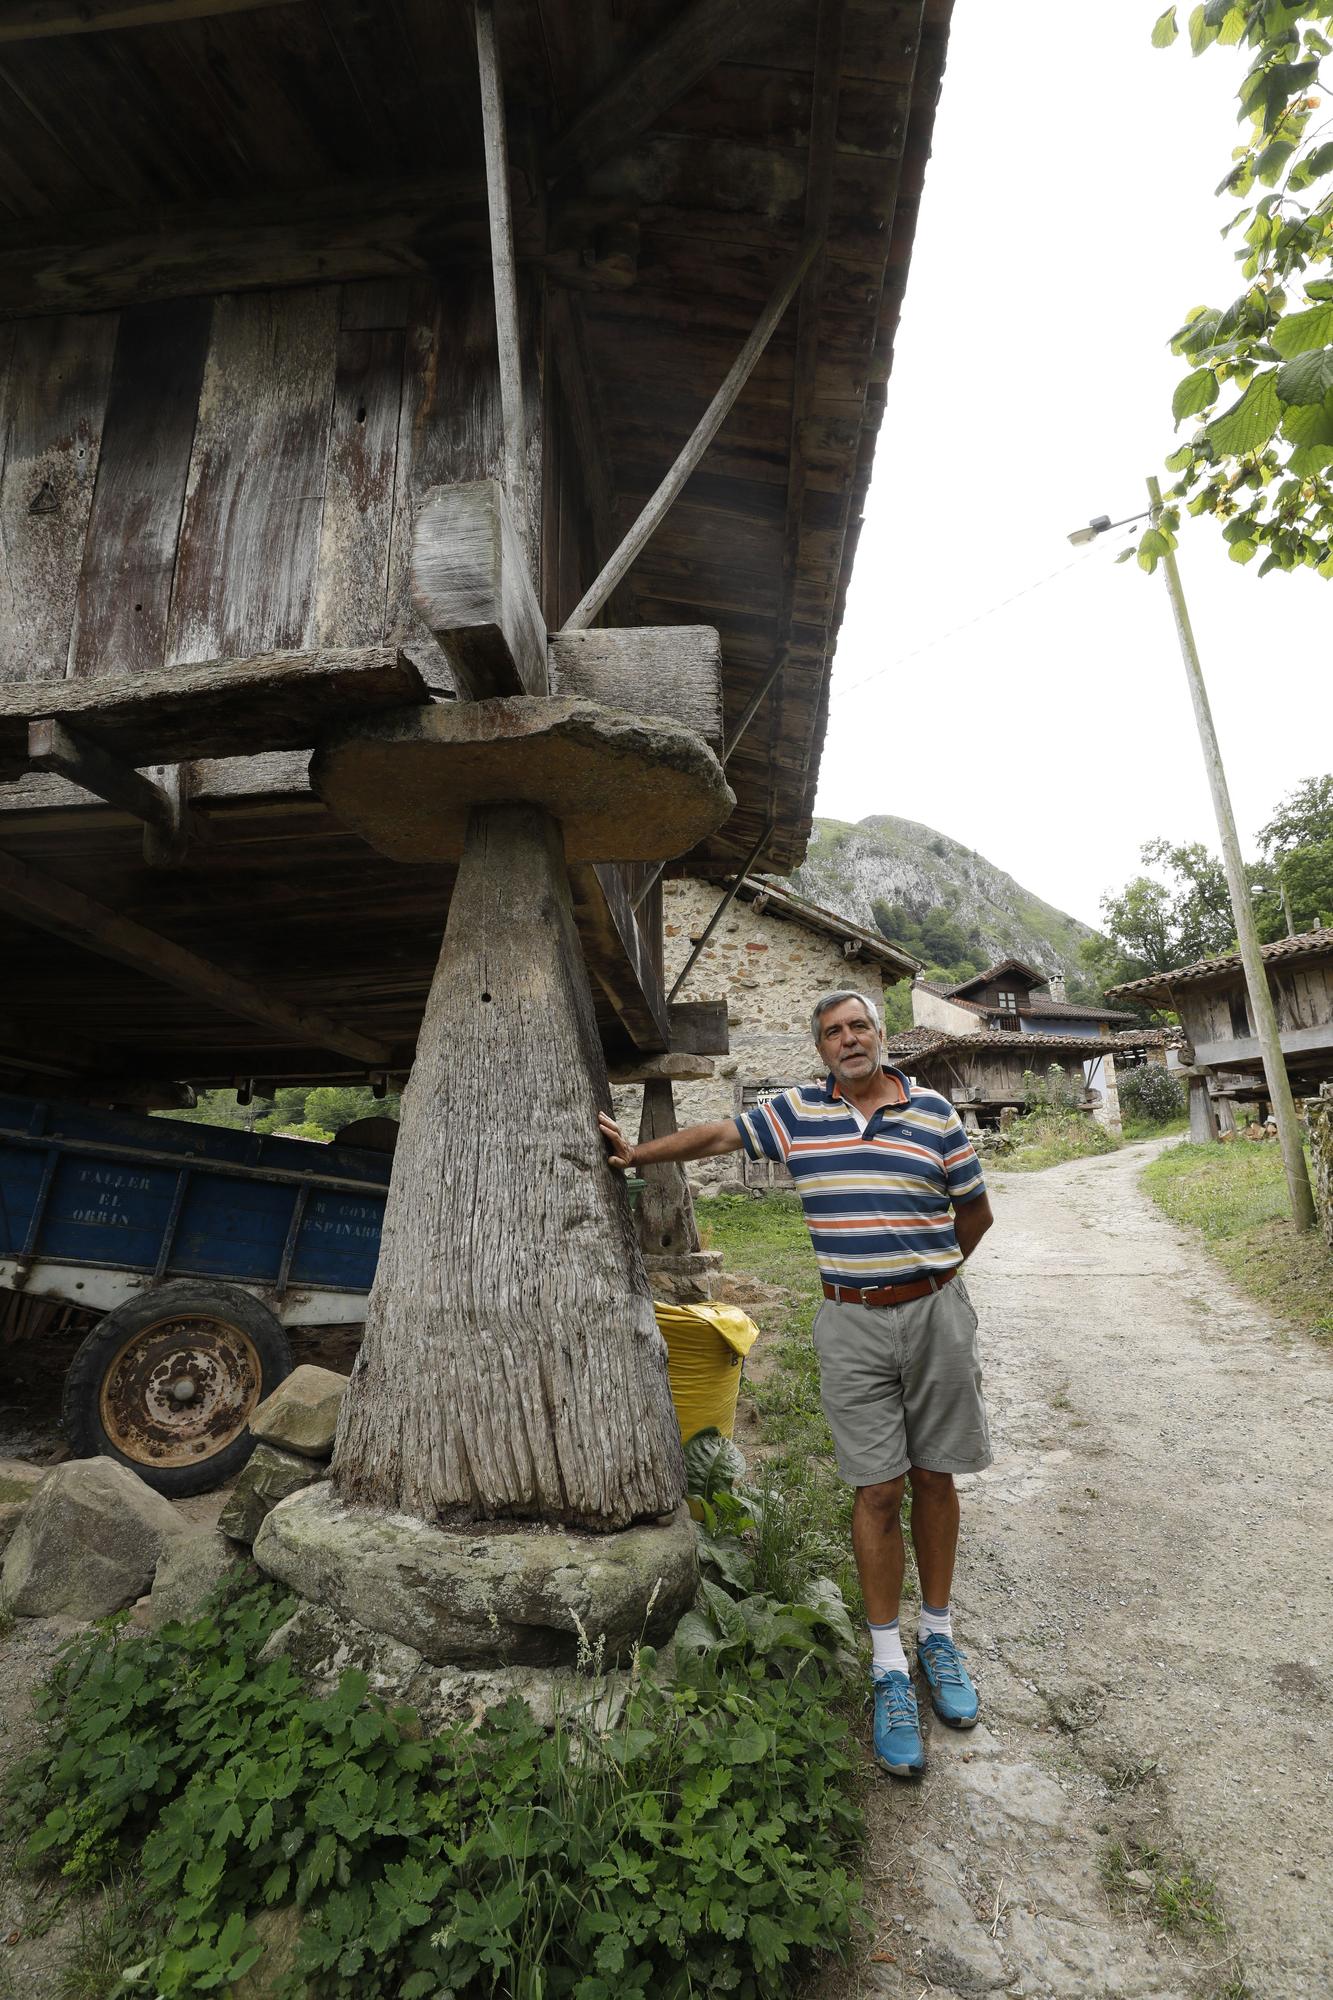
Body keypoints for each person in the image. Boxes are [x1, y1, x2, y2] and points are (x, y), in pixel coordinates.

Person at [599, 987, 994, 1779]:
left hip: (934, 1313)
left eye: (858, 1027)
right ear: (819, 1050)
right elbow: (717, 1133)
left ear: (879, 1036)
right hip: (848, 1324)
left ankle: (938, 1639)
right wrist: (639, 1154)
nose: (848, 1040)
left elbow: (974, 1214)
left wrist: (929, 1277)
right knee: (877, 1490)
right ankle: (888, 1666)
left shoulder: (934, 1116)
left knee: (934, 1476)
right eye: (832, 1033)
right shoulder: (795, 1114)